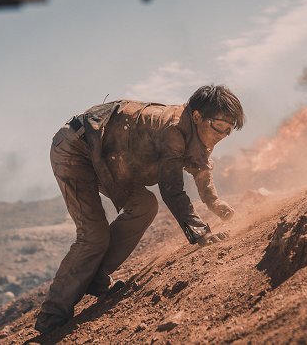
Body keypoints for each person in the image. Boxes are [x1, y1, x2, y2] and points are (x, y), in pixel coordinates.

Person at [35, 85, 245, 334]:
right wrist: (201, 234)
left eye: (228, 130)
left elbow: (200, 167)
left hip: (105, 157)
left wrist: (214, 202)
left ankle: (96, 277)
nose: (222, 134)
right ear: (198, 116)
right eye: (219, 126)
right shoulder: (173, 129)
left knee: (144, 205)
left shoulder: (197, 131)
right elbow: (172, 190)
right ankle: (52, 315)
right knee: (93, 236)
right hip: (76, 148)